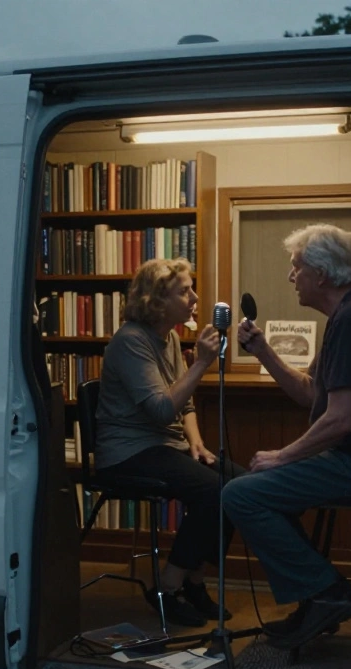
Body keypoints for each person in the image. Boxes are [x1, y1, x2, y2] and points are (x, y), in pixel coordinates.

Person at [224, 224, 351, 650]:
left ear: (322, 275)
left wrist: (283, 456)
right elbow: (310, 394)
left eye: (296, 268)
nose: (290, 277)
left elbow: (341, 421)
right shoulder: (349, 315)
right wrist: (263, 352)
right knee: (257, 491)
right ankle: (320, 595)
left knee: (241, 495)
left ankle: (326, 593)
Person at [96, 258, 245, 627]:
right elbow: (162, 410)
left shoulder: (171, 337)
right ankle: (168, 585)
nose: (195, 297)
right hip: (128, 452)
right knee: (214, 491)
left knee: (241, 485)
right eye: (185, 290)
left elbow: (186, 404)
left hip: (166, 445)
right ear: (158, 300)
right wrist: (202, 363)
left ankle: (195, 582)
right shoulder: (130, 340)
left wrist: (196, 443)